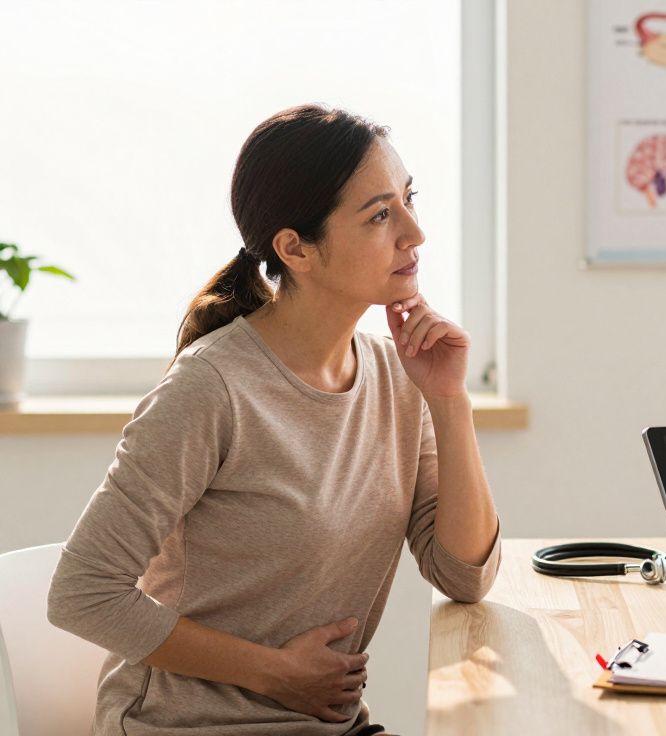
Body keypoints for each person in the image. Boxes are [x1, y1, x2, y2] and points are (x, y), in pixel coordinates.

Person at [47, 105, 502, 734]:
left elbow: (464, 575)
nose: (414, 233)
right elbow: (83, 593)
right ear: (296, 248)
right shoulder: (211, 388)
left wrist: (450, 403)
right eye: (379, 215)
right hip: (189, 726)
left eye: (408, 199)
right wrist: (272, 672)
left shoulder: (401, 378)